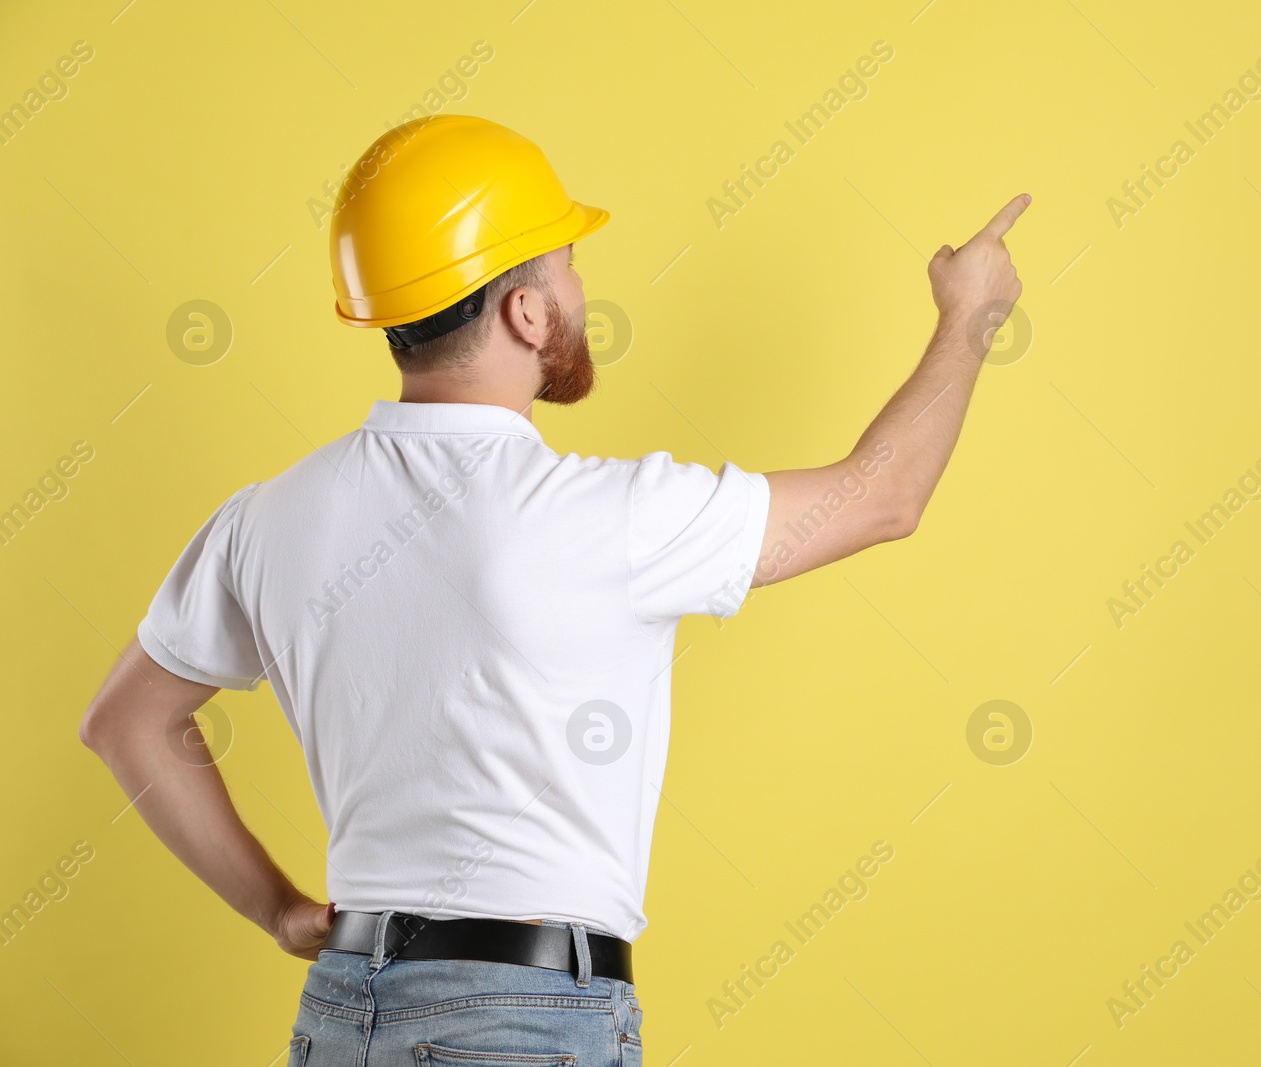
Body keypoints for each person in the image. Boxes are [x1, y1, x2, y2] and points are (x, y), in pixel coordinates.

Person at [79, 114, 1028, 1064]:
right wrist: (971, 316)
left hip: (340, 1015)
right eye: (568, 265)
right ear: (526, 313)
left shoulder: (266, 518)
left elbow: (125, 719)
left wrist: (280, 909)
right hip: (523, 1023)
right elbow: (883, 497)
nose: (580, 290)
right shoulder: (610, 513)